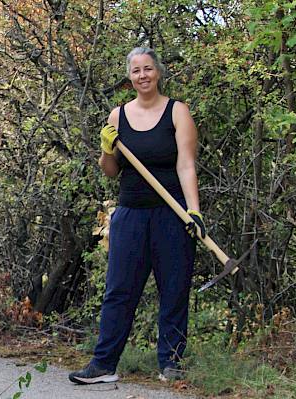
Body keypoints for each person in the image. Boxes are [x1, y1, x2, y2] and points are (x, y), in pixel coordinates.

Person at [69, 47, 204, 384]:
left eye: (148, 69)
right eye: (135, 71)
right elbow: (111, 171)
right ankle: (104, 364)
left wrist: (193, 211)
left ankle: (171, 363)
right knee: (119, 289)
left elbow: (186, 165)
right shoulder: (118, 116)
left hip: (171, 214)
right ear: (129, 77)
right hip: (129, 215)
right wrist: (106, 149)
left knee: (174, 289)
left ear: (157, 72)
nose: (142, 75)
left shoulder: (177, 112)